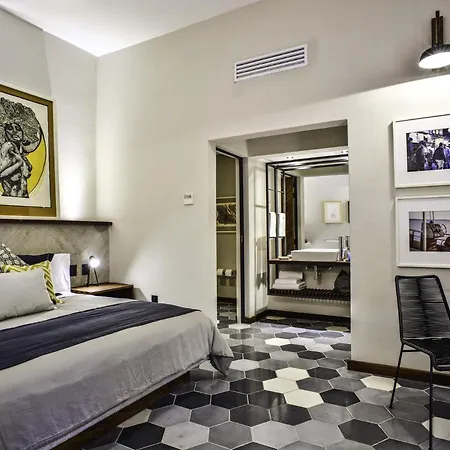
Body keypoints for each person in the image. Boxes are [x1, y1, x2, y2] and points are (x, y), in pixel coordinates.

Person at [0, 123, 41, 198]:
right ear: (4, 132)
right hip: (10, 198)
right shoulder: (8, 146)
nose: (14, 131)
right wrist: (19, 163)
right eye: (10, 129)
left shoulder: (20, 153)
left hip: (23, 198)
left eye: (18, 129)